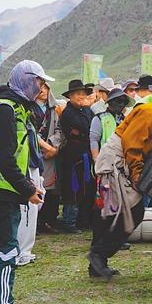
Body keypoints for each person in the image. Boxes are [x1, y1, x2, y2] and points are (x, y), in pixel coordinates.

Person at [0, 60, 48, 304]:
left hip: (1, 188)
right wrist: (27, 189)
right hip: (2, 190)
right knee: (7, 250)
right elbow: (5, 159)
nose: (41, 88)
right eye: (39, 82)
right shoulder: (6, 109)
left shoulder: (8, 106)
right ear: (27, 81)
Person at [88, 88, 152, 279]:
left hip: (119, 161)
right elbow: (132, 143)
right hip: (116, 162)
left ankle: (97, 262)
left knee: (109, 212)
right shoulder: (151, 112)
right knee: (129, 213)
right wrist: (136, 173)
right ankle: (98, 256)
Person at [58, 79, 94, 232]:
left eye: (83, 93)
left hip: (84, 154)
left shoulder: (85, 111)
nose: (81, 96)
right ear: (70, 96)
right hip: (72, 157)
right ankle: (69, 221)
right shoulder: (68, 112)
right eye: (78, 93)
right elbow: (85, 126)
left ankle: (82, 220)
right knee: (73, 188)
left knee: (86, 188)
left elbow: (91, 127)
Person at [34, 81, 62, 234]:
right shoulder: (29, 108)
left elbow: (59, 129)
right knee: (35, 185)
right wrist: (44, 147)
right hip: (34, 151)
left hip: (50, 152)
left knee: (49, 187)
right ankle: (35, 221)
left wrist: (53, 146)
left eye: (45, 87)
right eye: (40, 87)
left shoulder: (54, 109)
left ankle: (47, 220)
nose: (43, 90)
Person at [90, 88, 132, 161]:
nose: (122, 104)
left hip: (122, 160)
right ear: (110, 102)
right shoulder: (100, 118)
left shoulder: (126, 120)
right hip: (105, 160)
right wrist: (96, 160)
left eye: (125, 101)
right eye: (119, 101)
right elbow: (94, 140)